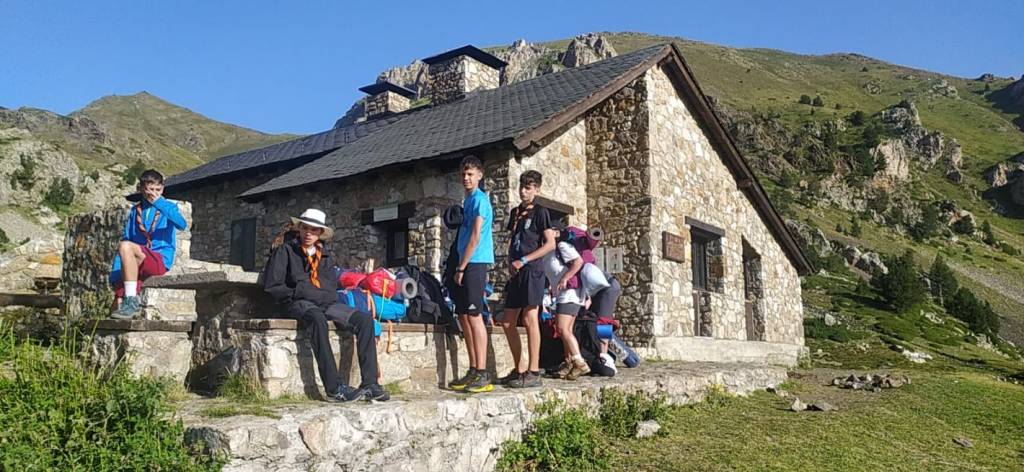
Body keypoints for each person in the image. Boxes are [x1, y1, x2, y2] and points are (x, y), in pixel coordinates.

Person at [263, 208, 389, 403]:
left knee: (364, 320)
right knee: (317, 319)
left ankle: (370, 384)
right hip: (296, 302)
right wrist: (300, 292)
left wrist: (319, 296)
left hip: (326, 303)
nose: (308, 233)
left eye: (314, 230)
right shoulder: (285, 251)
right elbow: (273, 286)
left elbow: (330, 288)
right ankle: (334, 388)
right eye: (305, 228)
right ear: (299, 228)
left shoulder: (325, 257)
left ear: (320, 233)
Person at [499, 171, 557, 388]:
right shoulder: (515, 212)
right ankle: (520, 368)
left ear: (537, 190)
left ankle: (533, 371)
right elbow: (513, 239)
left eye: (528, 188)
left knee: (530, 317)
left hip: (532, 270)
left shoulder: (541, 212)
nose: (523, 191)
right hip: (516, 272)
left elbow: (550, 243)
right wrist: (510, 262)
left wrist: (524, 260)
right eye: (521, 187)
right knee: (507, 322)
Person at [110, 169, 188, 320]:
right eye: (150, 190)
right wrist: (116, 274)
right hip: (138, 261)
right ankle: (128, 307)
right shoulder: (135, 211)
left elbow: (182, 224)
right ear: (141, 189)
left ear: (162, 189)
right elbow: (127, 240)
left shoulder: (168, 207)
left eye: (157, 190)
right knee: (117, 301)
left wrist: (159, 203)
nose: (154, 193)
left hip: (159, 259)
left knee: (126, 246)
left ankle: (131, 300)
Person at [447, 156, 495, 394]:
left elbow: (476, 236)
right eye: (463, 175)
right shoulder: (467, 201)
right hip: (463, 262)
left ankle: (483, 372)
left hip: (474, 263)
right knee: (464, 316)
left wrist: (462, 266)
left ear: (479, 176)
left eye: (470, 174)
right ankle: (474, 369)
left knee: (475, 316)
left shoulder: (480, 201)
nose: (466, 178)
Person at [543, 230, 591, 380]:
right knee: (567, 330)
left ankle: (579, 361)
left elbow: (578, 262)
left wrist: (565, 278)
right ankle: (569, 363)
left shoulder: (562, 246)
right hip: (565, 293)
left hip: (570, 292)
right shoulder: (549, 250)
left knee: (562, 329)